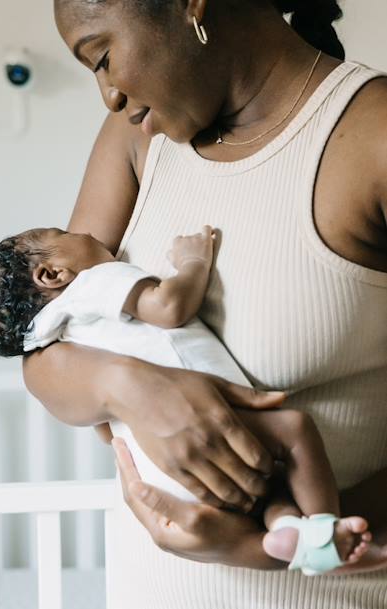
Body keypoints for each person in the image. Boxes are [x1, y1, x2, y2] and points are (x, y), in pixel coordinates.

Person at [22, 0, 387, 606]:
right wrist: (130, 388)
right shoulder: (136, 139)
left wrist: (257, 545)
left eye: (103, 58)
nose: (109, 96)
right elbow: (45, 349)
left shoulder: (371, 135)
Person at [0, 224, 371, 574]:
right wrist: (194, 262)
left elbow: (102, 428)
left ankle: (288, 532)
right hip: (214, 431)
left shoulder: (55, 335)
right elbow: (169, 306)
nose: (81, 230)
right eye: (63, 232)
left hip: (164, 474)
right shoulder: (92, 284)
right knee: (295, 430)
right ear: (52, 274)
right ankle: (324, 531)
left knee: (272, 491)